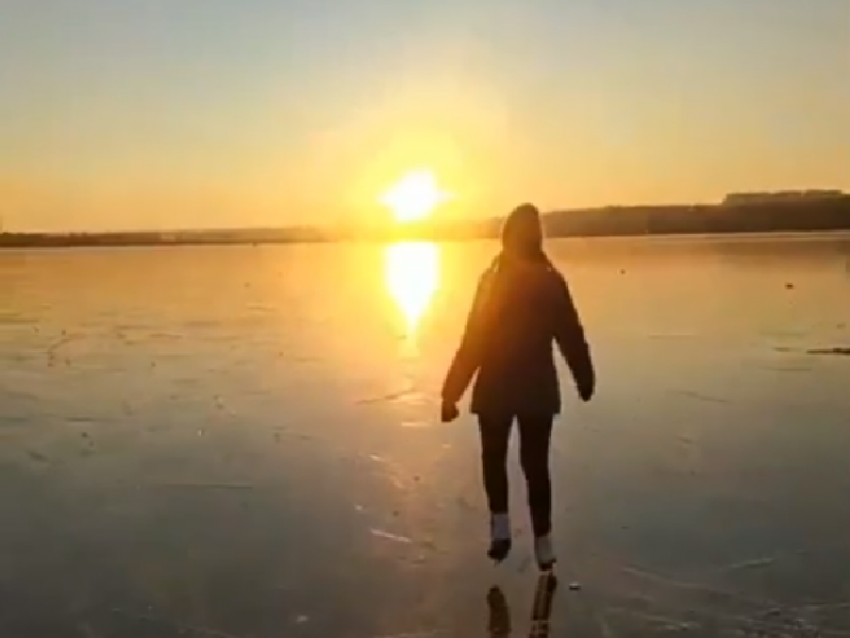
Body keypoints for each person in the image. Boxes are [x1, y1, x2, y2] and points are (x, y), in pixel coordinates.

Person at [440, 203, 595, 571]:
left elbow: (473, 339)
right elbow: (571, 335)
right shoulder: (548, 279)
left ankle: (501, 526)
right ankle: (541, 539)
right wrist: (584, 376)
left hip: (499, 386)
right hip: (533, 388)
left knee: (496, 457)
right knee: (534, 464)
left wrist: (452, 392)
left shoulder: (498, 279)